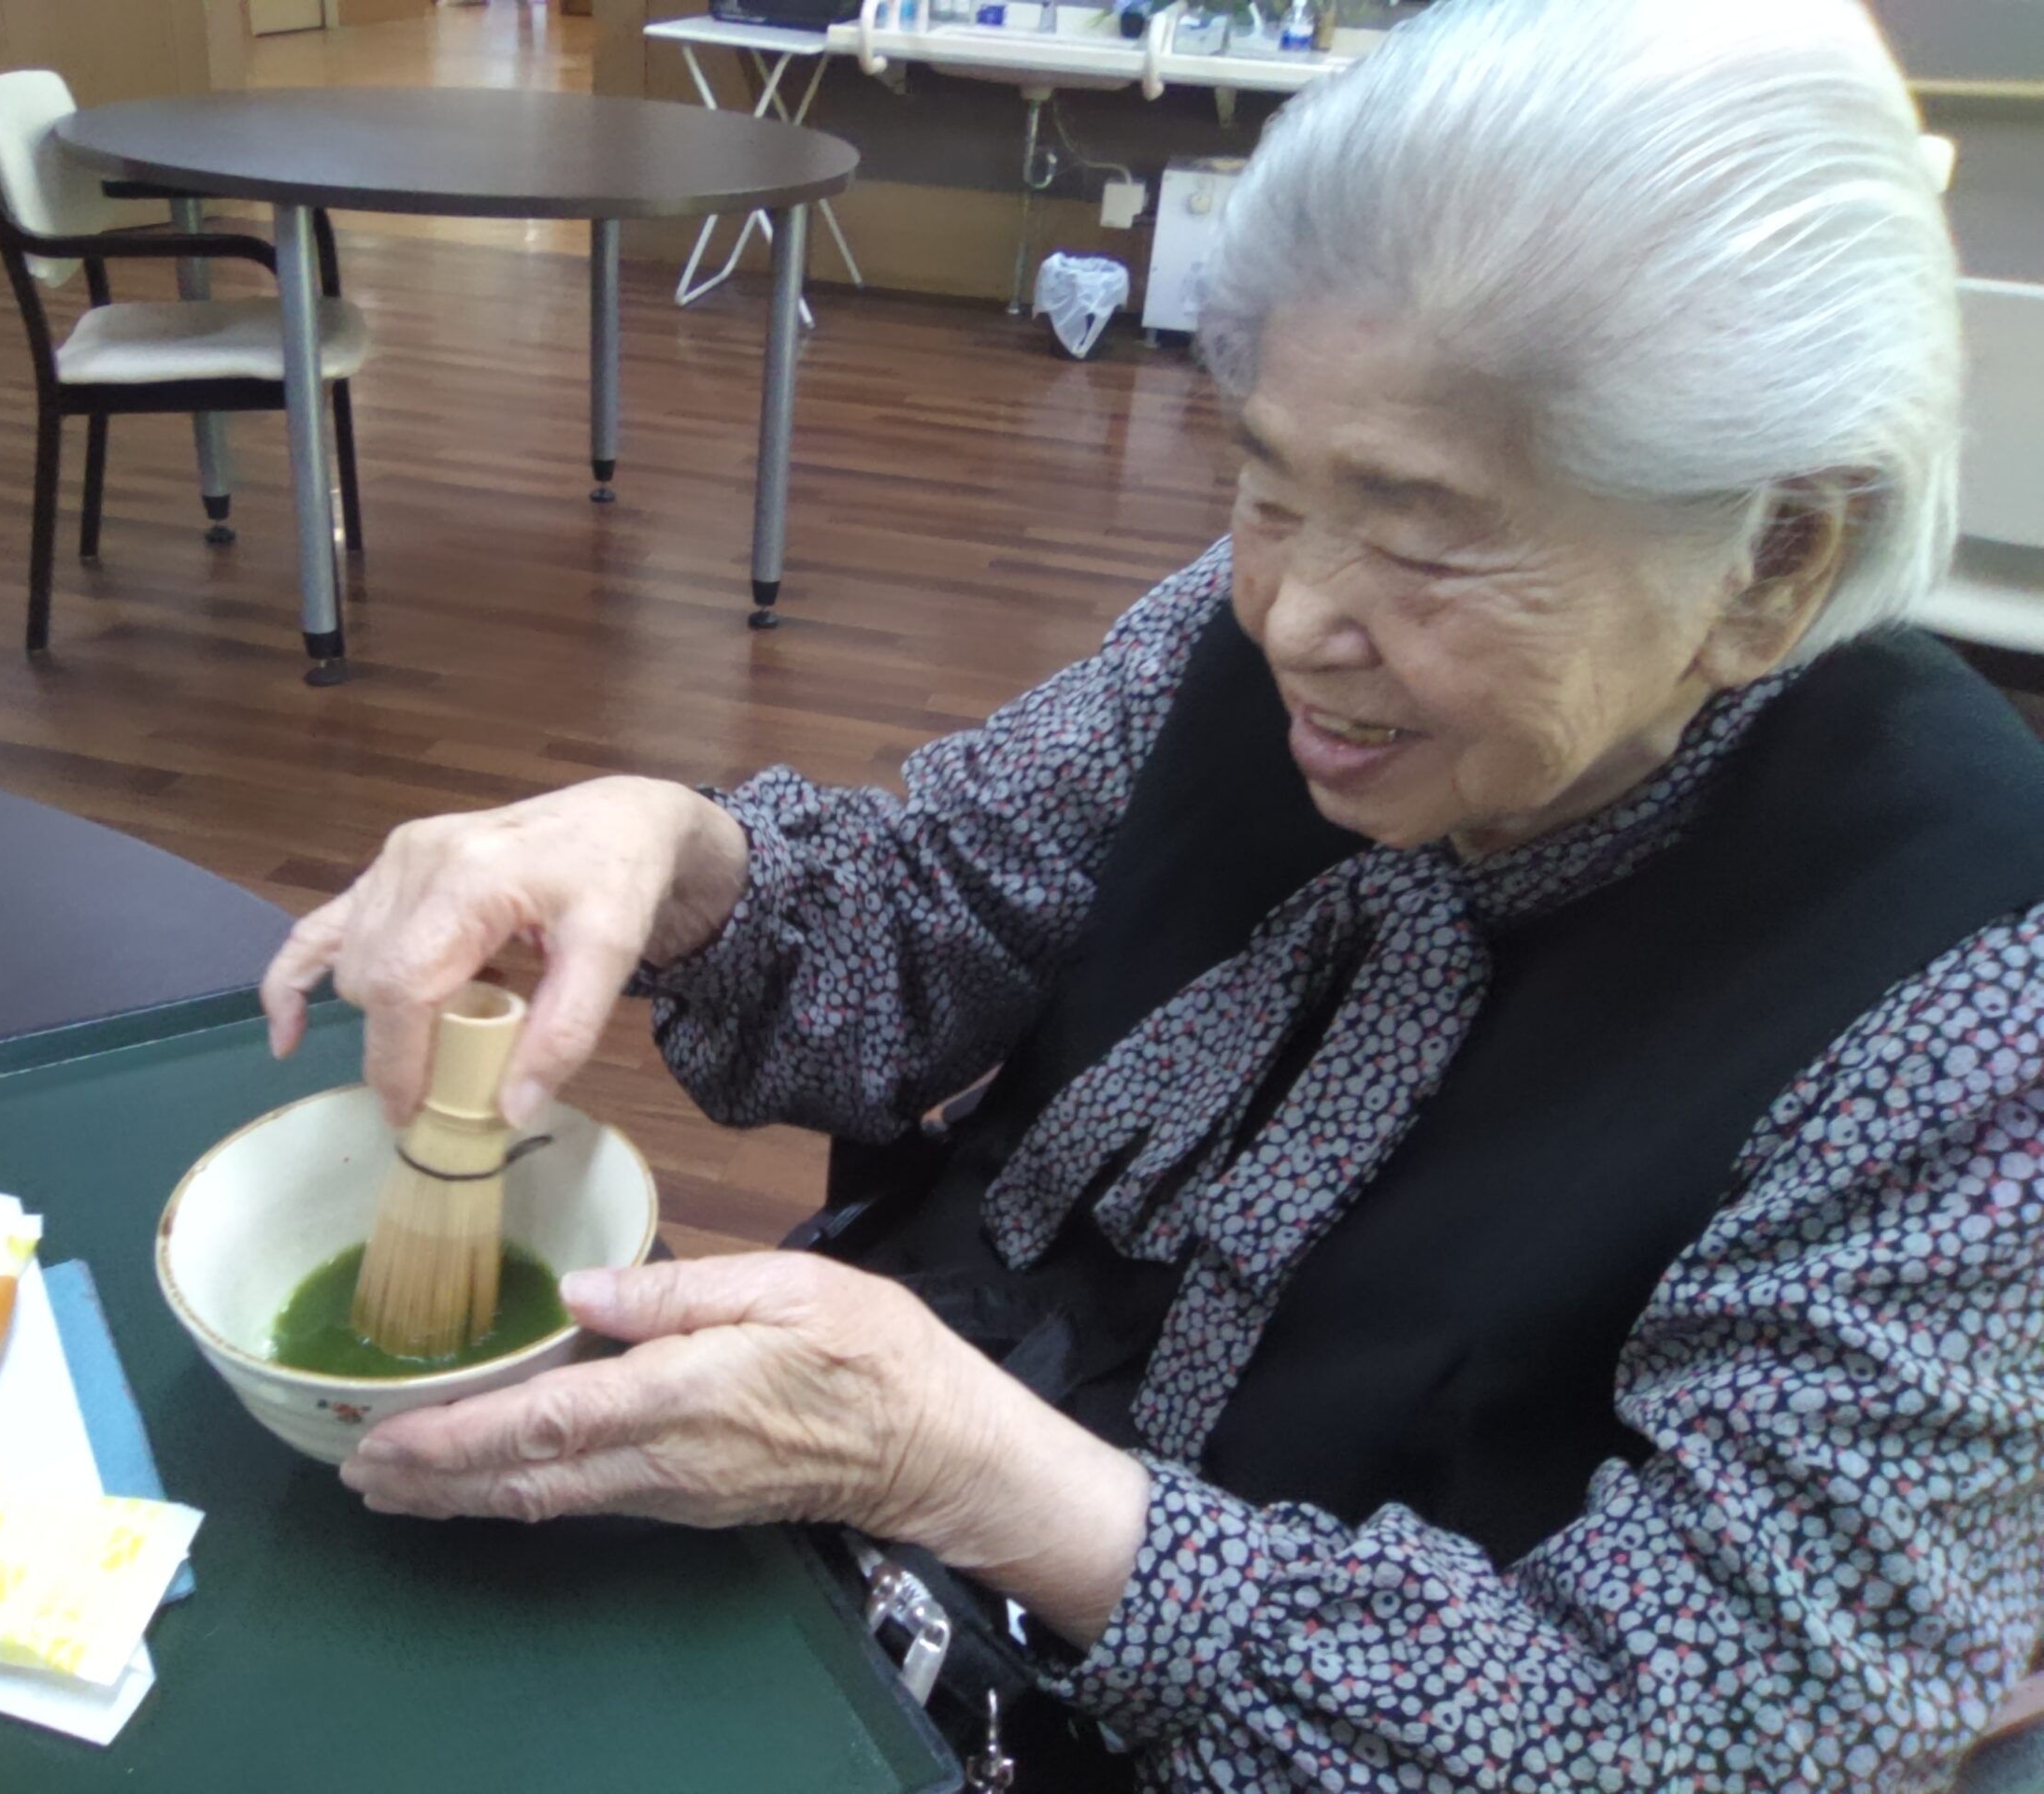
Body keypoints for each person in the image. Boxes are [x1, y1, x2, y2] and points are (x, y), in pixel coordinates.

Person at [259, 0, 2044, 1785]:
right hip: (863, 1533)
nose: (1293, 617)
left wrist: (973, 1470)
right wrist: (677, 858)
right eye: (1266, 483)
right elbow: (938, 914)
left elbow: (1716, 1723)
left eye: (1424, 539)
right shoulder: (1247, 623)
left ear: (1775, 558)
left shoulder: (1974, 989)